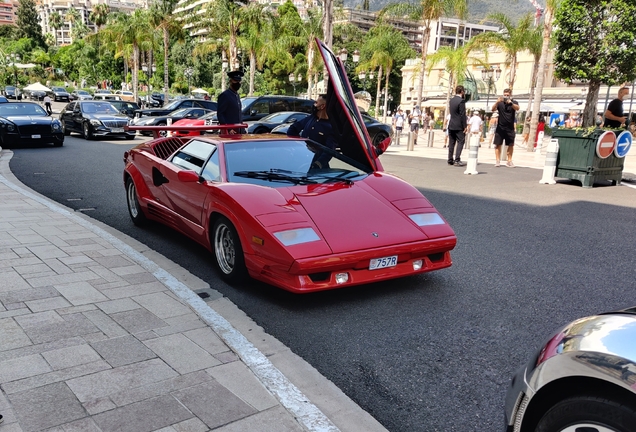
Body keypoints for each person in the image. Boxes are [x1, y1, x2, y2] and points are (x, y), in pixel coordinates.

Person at [287, 94, 337, 169]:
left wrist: (317, 164)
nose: (314, 105)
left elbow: (329, 152)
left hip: (316, 169)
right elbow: (293, 129)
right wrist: (297, 144)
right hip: (300, 161)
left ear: (322, 106)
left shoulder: (331, 127)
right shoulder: (311, 118)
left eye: (316, 103)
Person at [492, 88, 520, 167]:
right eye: (505, 95)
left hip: (510, 128)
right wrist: (497, 102)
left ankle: (509, 161)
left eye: (508, 95)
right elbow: (492, 109)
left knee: (510, 145)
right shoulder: (500, 103)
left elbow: (517, 108)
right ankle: (497, 160)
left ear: (510, 95)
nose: (506, 96)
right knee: (497, 144)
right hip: (500, 128)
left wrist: (511, 103)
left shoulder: (514, 102)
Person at [447, 85, 467, 166]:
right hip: (459, 125)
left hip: (451, 124)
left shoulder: (451, 100)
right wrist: (465, 126)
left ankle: (450, 159)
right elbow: (462, 114)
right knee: (461, 141)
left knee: (451, 142)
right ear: (462, 91)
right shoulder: (461, 101)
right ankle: (457, 159)